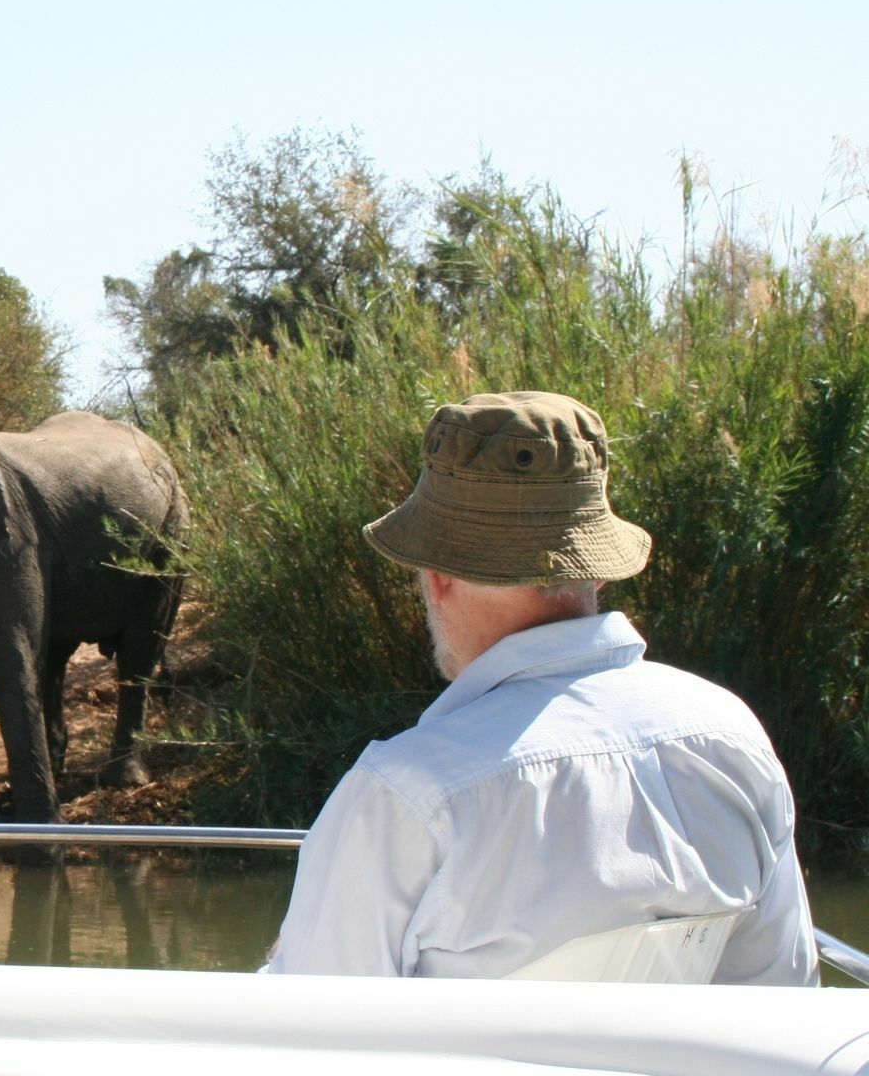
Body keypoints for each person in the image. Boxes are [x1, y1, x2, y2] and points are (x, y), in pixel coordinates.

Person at [267, 391, 817, 984]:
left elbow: (318, 1029)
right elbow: (783, 986)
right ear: (598, 567)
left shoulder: (405, 794)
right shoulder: (729, 736)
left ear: (437, 574)